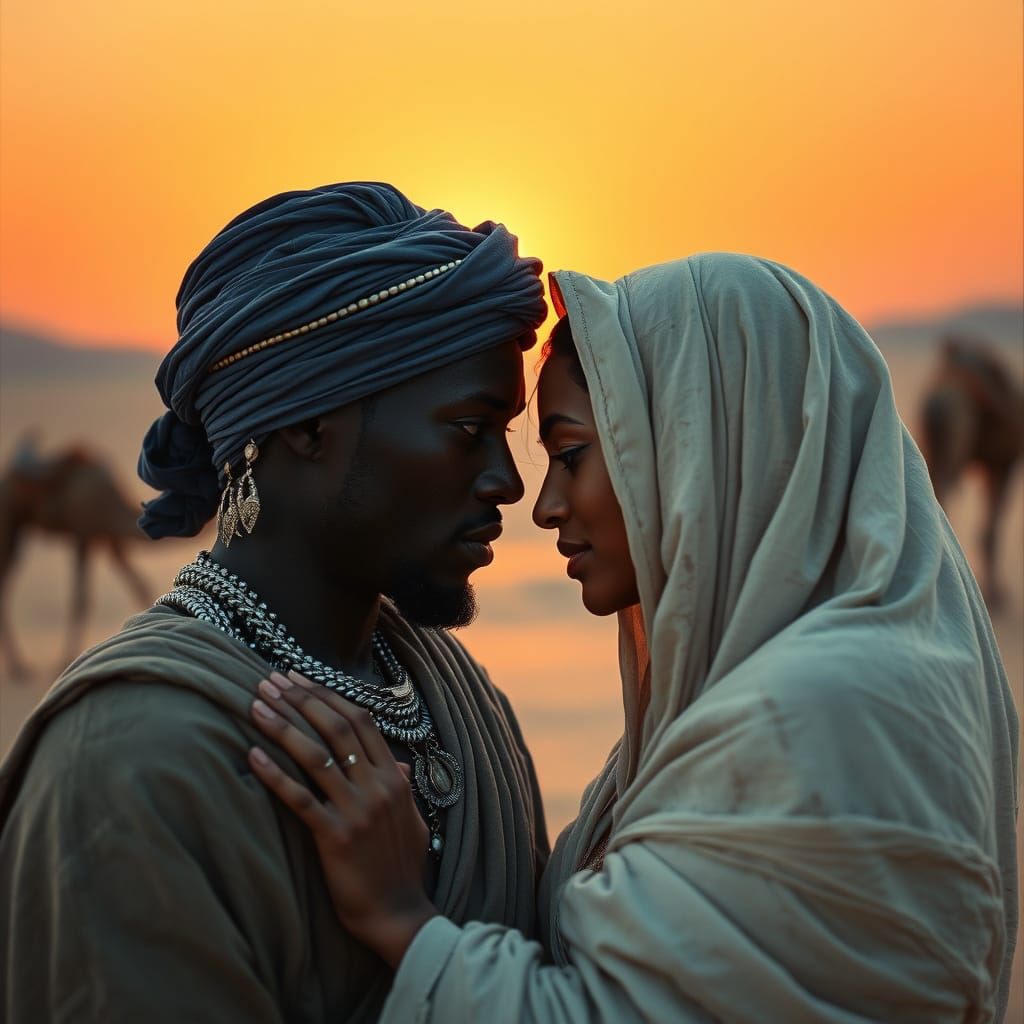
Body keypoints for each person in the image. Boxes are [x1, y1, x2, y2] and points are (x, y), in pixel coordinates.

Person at [250, 254, 1020, 1022]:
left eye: (574, 454)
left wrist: (401, 920)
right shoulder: (727, 709)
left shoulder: (825, 717)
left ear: (700, 448)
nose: (544, 505)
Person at [0, 182, 551, 1022]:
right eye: (469, 428)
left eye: (508, 435)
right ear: (307, 428)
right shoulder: (131, 765)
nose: (508, 481)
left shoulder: (467, 706)